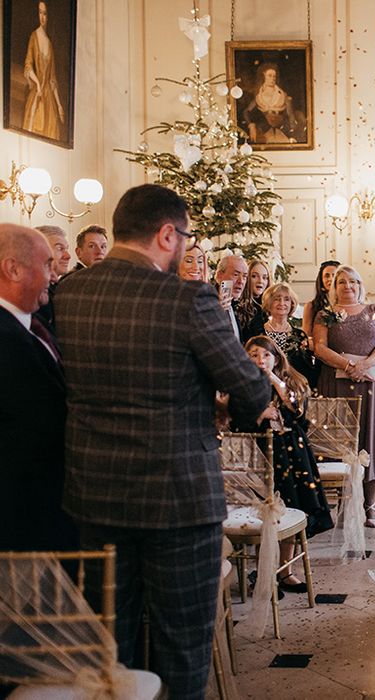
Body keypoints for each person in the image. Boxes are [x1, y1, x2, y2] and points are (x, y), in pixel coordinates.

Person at [54, 184, 271, 699]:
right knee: (181, 646)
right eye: (186, 237)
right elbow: (251, 387)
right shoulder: (186, 298)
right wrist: (221, 406)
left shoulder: (69, 292)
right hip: (177, 499)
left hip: (95, 495)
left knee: (108, 645)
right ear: (167, 234)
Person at [231, 335, 334, 592]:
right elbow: (233, 420)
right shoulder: (241, 385)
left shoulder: (290, 382)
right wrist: (259, 414)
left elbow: (297, 410)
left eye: (265, 355)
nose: (260, 360)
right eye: (253, 355)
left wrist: (275, 381)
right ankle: (262, 571)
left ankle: (285, 570)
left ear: (276, 358)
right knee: (265, 511)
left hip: (292, 454)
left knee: (292, 505)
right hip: (258, 454)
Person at [0, 224, 77, 552]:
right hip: (22, 515)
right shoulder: (5, 338)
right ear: (13, 269)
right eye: (46, 264)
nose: (54, 275)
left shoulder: (34, 326)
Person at [314, 265, 375, 528]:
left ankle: (370, 505)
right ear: (334, 287)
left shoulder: (374, 310)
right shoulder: (325, 314)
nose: (347, 286)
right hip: (337, 383)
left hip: (372, 383)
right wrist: (347, 366)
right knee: (341, 441)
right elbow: (320, 347)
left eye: (353, 281)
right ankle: (343, 503)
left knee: (369, 438)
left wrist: (364, 365)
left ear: (360, 284)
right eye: (341, 282)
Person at [21, 2, 65, 141]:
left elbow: (52, 79)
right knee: (32, 128)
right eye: (40, 12)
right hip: (38, 92)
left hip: (48, 97)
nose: (42, 17)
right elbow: (28, 65)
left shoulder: (50, 44)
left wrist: (59, 106)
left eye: (45, 13)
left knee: (51, 131)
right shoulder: (34, 37)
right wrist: (38, 85)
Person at [261, 282, 316, 385]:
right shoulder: (257, 332)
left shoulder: (299, 336)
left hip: (292, 389)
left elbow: (307, 370)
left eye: (286, 299)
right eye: (277, 299)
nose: (282, 303)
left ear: (292, 304)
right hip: (263, 388)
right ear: (269, 303)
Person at [244, 63, 306, 144]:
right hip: (264, 128)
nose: (273, 78)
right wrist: (251, 125)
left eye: (274, 76)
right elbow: (246, 112)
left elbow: (291, 117)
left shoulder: (283, 95)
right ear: (263, 76)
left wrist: (292, 135)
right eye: (270, 75)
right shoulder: (258, 97)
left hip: (281, 128)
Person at [34, 224, 70, 329]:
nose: (68, 256)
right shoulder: (34, 294)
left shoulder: (57, 288)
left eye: (67, 249)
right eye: (59, 248)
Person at [302, 259, 339, 350]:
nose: (331, 279)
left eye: (334, 275)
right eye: (327, 276)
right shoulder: (311, 306)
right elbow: (307, 337)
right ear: (321, 281)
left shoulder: (348, 305)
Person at [214, 253, 249, 341]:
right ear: (219, 275)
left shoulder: (235, 306)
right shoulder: (207, 303)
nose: (241, 281)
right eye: (236, 274)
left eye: (244, 276)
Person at [238, 258, 270, 338]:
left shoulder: (269, 308)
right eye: (254, 276)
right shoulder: (238, 307)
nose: (260, 281)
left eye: (264, 277)